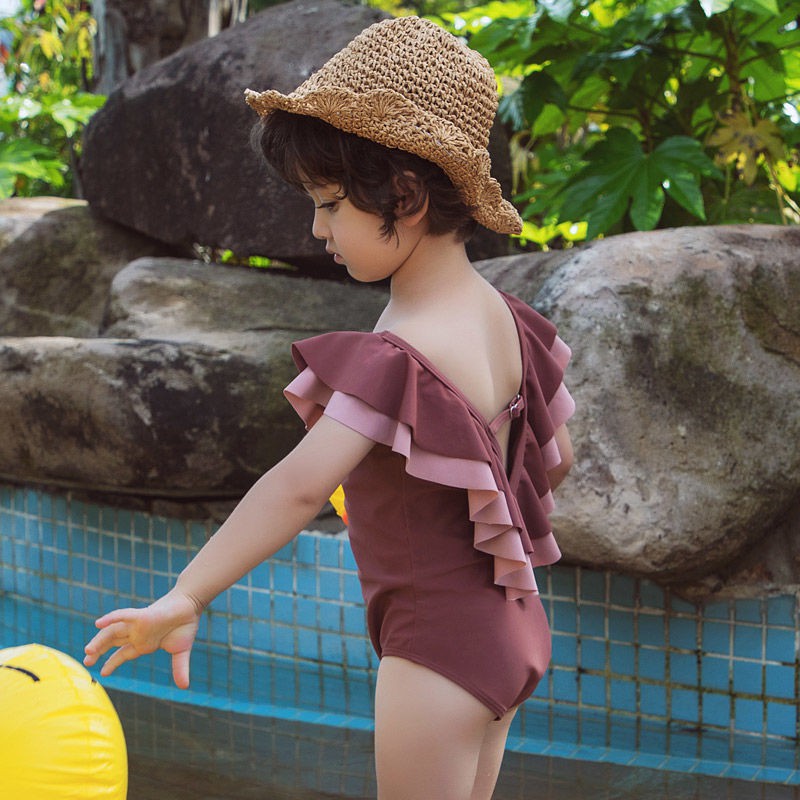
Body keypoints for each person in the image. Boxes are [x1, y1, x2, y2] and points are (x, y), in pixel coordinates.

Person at [84, 15, 575, 800]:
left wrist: (186, 595)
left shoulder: (400, 351)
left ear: (405, 195)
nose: (317, 228)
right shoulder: (507, 321)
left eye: (330, 203)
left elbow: (299, 487)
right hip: (511, 628)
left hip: (437, 651)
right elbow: (557, 458)